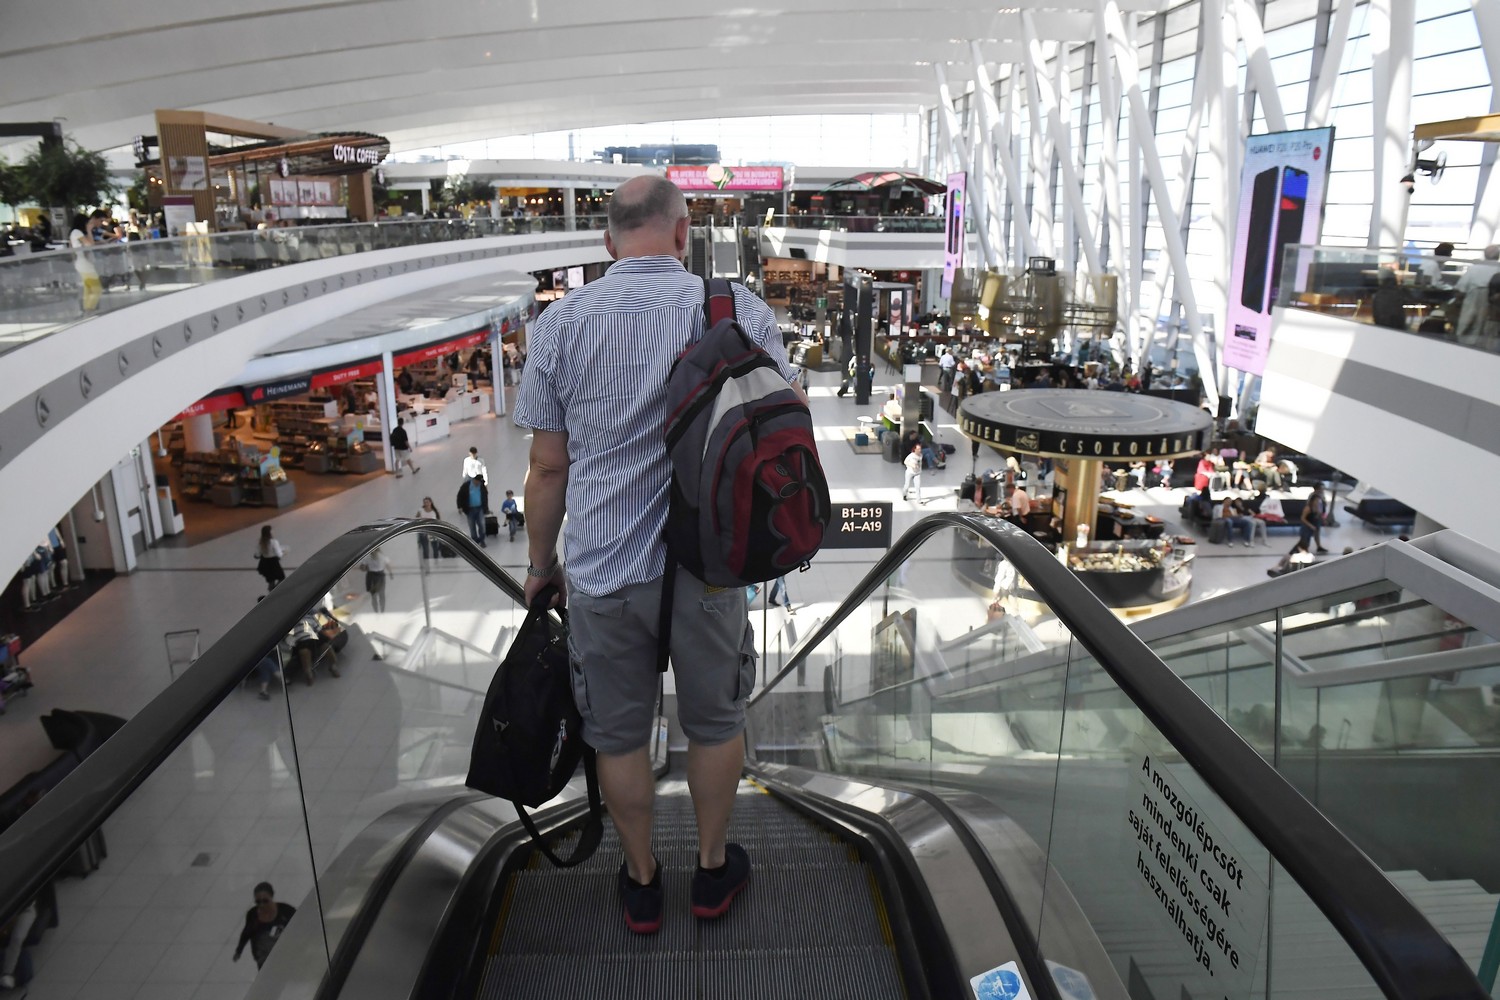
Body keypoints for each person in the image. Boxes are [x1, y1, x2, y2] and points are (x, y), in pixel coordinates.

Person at [514, 176, 795, 935]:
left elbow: (547, 469)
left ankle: (640, 882)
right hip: (709, 566)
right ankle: (710, 871)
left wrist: (542, 568)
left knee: (617, 736)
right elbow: (781, 421)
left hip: (603, 574)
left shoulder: (561, 325)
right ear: (683, 233)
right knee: (713, 723)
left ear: (608, 242)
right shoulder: (737, 310)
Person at [233, 882, 297, 970]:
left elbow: (300, 927)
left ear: (272, 896)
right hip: (264, 960)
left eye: (265, 901)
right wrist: (239, 951)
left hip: (285, 957)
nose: (261, 905)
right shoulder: (252, 914)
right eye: (258, 902)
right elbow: (246, 933)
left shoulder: (286, 911)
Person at [1453, 244, 1500, 346]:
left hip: (1472, 299)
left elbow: (1461, 289)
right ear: (1498, 255)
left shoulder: (1474, 268)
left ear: (1485, 255)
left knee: (1466, 324)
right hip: (1492, 304)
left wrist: (1458, 300)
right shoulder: (1498, 269)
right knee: (1483, 327)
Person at [67, 212, 102, 312]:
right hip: (84, 263)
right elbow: (89, 244)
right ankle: (89, 308)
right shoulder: (77, 232)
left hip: (83, 263)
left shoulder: (76, 233)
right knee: (96, 288)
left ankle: (88, 308)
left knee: (89, 289)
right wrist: (89, 231)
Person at [456, 474, 489, 547]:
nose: (479, 484)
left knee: (482, 525)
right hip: (470, 509)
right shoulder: (466, 486)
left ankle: (482, 540)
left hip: (480, 508)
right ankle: (475, 541)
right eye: (478, 482)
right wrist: (460, 506)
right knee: (472, 526)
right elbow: (460, 496)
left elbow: (485, 497)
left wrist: (486, 508)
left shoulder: (482, 486)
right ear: (475, 480)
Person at [361, 546, 392, 612]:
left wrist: (366, 568)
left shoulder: (368, 557)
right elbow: (388, 565)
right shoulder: (382, 556)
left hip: (372, 576)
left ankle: (376, 611)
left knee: (374, 595)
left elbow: (363, 567)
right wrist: (391, 573)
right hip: (380, 576)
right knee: (381, 594)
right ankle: (382, 610)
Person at [256, 526, 286, 592]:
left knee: (271, 579)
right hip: (274, 562)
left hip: (264, 563)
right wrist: (283, 552)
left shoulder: (261, 542)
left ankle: (271, 591)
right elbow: (279, 554)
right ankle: (275, 590)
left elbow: (257, 554)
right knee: (281, 577)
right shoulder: (274, 542)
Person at [1301, 483, 1329, 554]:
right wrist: (1311, 525)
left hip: (1317, 518)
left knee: (1317, 533)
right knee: (1306, 536)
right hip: (1310, 519)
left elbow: (1321, 508)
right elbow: (1303, 518)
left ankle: (1318, 546)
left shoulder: (1321, 496)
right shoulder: (1313, 498)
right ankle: (1305, 549)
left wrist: (1323, 518)